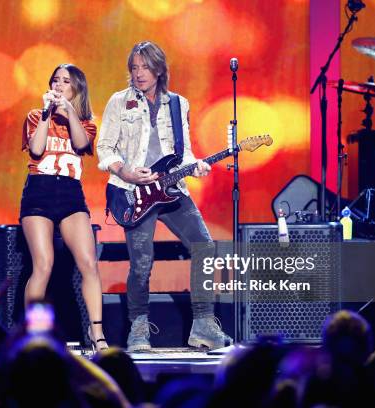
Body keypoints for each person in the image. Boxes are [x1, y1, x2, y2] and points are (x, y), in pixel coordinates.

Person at [97, 41, 232, 351]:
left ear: (159, 69)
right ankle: (139, 328)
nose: (139, 73)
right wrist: (126, 172)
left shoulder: (177, 104)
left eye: (144, 67)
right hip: (132, 192)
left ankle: (204, 324)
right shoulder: (119, 102)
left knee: (204, 246)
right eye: (134, 67)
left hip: (171, 189)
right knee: (142, 262)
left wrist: (194, 166)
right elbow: (105, 148)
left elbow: (182, 151)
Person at [20, 63, 107, 351]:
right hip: (40, 192)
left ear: (76, 88)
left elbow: (82, 144)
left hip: (70, 195)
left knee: (88, 263)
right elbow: (35, 149)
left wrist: (68, 111)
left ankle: (97, 333)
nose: (58, 85)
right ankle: (35, 333)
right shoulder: (35, 116)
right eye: (55, 80)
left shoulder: (86, 122)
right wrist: (47, 114)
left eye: (65, 81)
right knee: (43, 265)